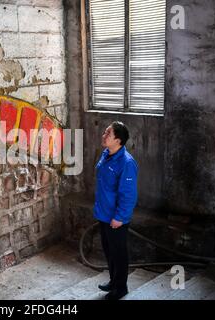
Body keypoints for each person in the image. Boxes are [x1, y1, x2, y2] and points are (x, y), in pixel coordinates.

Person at [94, 121, 138, 300]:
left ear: (118, 140)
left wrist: (120, 217)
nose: (104, 135)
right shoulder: (107, 154)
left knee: (119, 253)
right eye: (105, 132)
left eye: (108, 134)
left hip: (116, 218)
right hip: (104, 214)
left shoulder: (126, 163)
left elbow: (129, 195)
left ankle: (121, 288)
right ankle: (114, 282)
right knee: (109, 250)